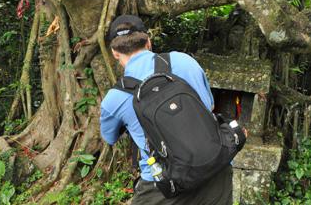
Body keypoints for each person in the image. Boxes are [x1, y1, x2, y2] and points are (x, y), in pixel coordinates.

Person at [99, 14, 233, 205]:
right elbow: (208, 106)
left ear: (114, 52)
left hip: (162, 187)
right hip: (214, 169)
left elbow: (109, 137)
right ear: (148, 42)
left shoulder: (114, 99)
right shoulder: (185, 62)